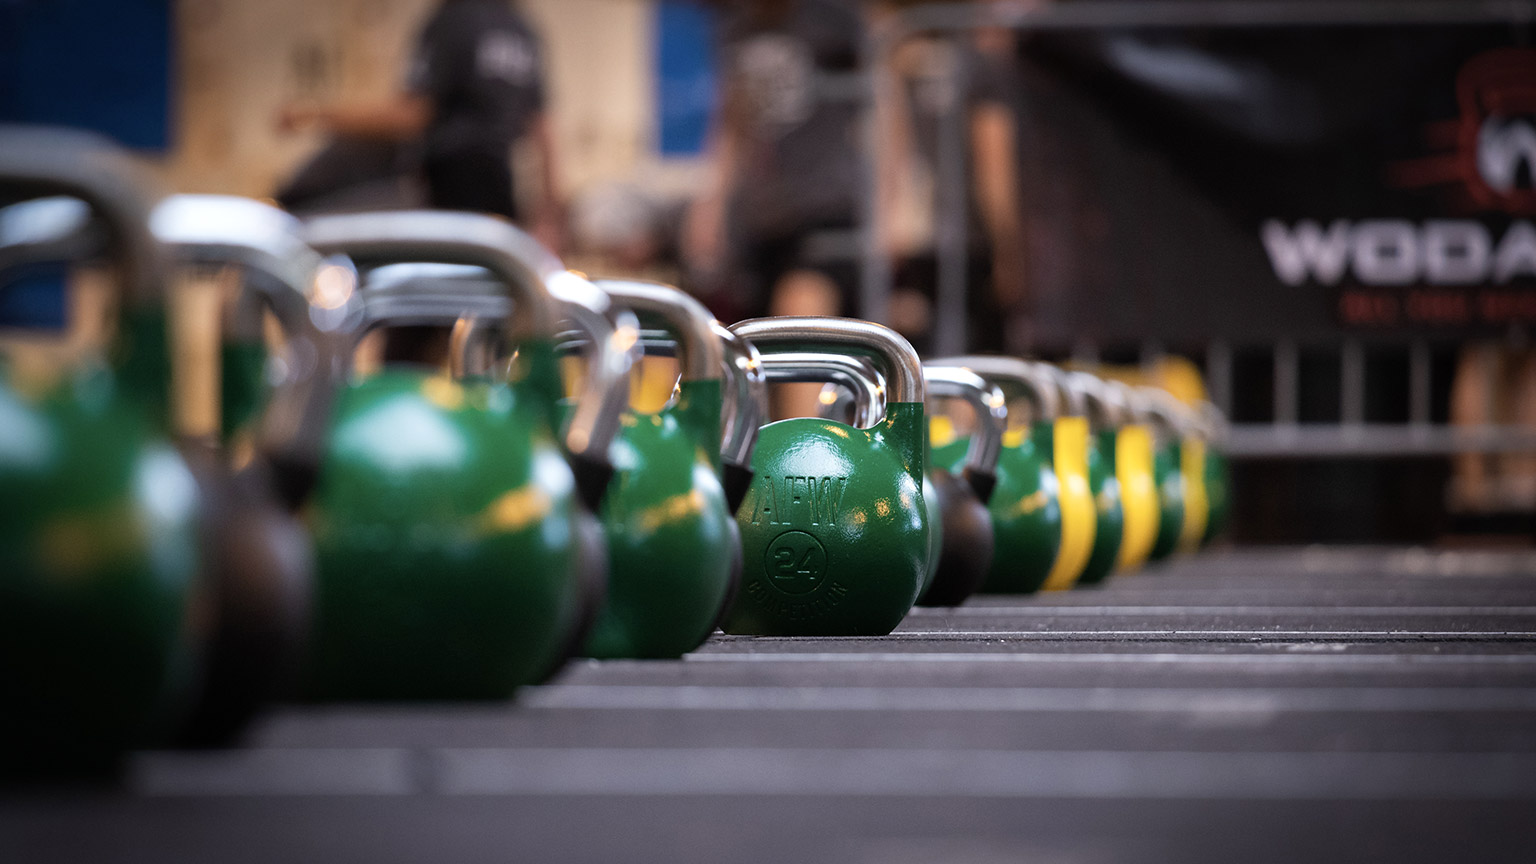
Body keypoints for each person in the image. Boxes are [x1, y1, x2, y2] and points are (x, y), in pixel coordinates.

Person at [277, 0, 563, 251]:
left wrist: (315, 114)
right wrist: (549, 220)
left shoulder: (453, 21)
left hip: (447, 192)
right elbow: (544, 131)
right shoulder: (522, 30)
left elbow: (413, 115)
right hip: (500, 196)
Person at [686, 0, 866, 325]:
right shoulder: (735, 27)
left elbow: (884, 105)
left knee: (797, 324)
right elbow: (732, 120)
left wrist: (889, 205)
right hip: (763, 217)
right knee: (757, 342)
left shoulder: (835, 20)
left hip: (824, 209)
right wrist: (710, 205)